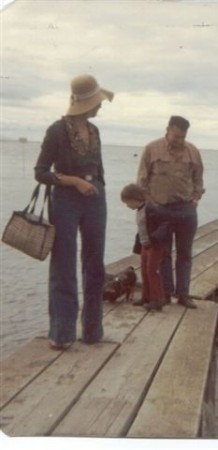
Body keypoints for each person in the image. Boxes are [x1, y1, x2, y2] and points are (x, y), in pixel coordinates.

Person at [34, 74, 113, 350]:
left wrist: (98, 187)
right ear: (86, 103)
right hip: (66, 199)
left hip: (95, 200)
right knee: (64, 265)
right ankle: (62, 333)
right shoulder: (56, 131)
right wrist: (75, 182)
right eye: (97, 102)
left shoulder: (95, 131)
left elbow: (98, 167)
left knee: (95, 265)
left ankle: (92, 331)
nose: (100, 106)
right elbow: (41, 172)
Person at [137, 116, 205, 309]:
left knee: (185, 253)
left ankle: (183, 294)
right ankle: (165, 293)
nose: (179, 141)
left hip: (186, 210)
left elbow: (198, 178)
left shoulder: (193, 151)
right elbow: (142, 179)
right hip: (159, 210)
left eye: (183, 137)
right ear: (167, 130)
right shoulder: (152, 149)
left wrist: (196, 197)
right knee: (163, 254)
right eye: (176, 136)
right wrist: (148, 202)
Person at [121, 183, 167, 312]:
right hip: (145, 245)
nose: (127, 206)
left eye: (128, 203)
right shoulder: (139, 210)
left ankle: (157, 300)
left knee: (152, 272)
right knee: (144, 271)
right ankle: (146, 297)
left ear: (135, 199)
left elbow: (164, 224)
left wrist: (156, 238)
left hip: (154, 245)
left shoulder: (151, 208)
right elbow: (141, 228)